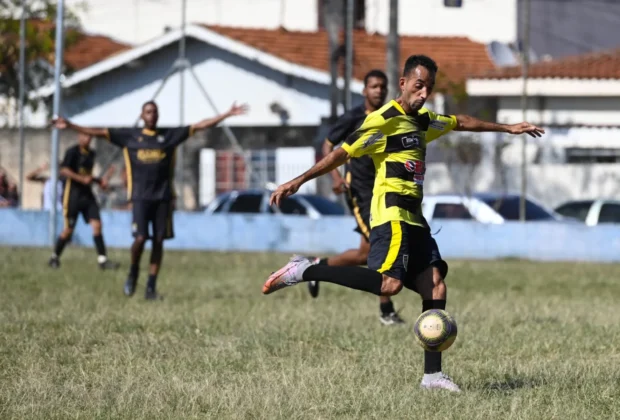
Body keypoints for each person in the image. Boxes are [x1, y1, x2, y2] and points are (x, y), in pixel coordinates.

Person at [263, 55, 544, 392]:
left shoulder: (424, 121)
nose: (424, 93)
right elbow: (342, 152)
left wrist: (508, 128)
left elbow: (460, 122)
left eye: (429, 88)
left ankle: (432, 376)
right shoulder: (383, 120)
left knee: (435, 285)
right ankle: (305, 270)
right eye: (418, 85)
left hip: (415, 218)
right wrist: (299, 180)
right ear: (403, 83)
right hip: (390, 214)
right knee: (389, 285)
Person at [53, 100, 248, 300]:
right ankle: (133, 271)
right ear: (142, 115)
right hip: (140, 198)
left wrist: (226, 114)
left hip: (163, 198)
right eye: (148, 112)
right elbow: (99, 132)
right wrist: (70, 125)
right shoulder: (130, 137)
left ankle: (151, 288)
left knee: (158, 241)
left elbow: (199, 125)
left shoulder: (169, 136)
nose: (151, 115)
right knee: (140, 238)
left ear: (158, 115)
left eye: (155, 112)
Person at [307, 69, 407, 326]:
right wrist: (336, 177)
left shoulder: (388, 116)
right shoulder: (352, 118)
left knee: (365, 254)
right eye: (374, 86)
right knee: (379, 247)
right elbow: (328, 145)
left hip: (382, 191)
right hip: (360, 192)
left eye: (382, 86)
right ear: (364, 90)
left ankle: (318, 266)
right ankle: (387, 311)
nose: (379, 90)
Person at [48, 134, 120, 270]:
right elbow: (64, 170)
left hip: (87, 196)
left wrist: (99, 181)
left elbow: (88, 175)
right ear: (79, 137)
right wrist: (81, 179)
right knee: (68, 230)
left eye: (89, 137)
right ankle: (54, 257)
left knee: (97, 225)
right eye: (85, 136)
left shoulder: (91, 154)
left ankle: (102, 260)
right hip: (72, 197)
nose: (87, 139)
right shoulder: (72, 152)